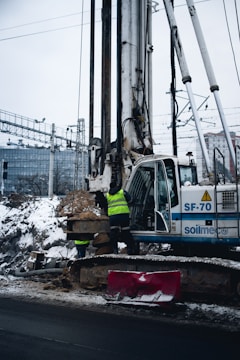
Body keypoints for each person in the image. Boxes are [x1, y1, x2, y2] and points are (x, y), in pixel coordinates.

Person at [106, 181, 135, 255]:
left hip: (113, 216)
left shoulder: (108, 195)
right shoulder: (122, 192)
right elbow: (130, 200)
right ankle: (129, 249)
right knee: (126, 231)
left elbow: (105, 205)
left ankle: (115, 250)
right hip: (123, 215)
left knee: (113, 233)